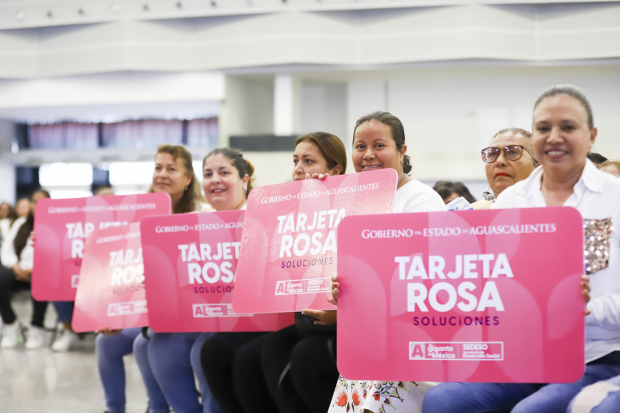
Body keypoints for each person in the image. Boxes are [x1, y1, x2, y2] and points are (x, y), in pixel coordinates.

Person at [421, 85, 620, 413]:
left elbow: (598, 287)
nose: (554, 137)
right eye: (543, 128)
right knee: (442, 400)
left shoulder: (610, 198)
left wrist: (587, 308)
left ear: (591, 135)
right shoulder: (512, 201)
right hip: (523, 354)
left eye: (568, 127)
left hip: (595, 355)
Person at [307, 111, 445, 413]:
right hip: (368, 333)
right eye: (360, 146)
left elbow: (420, 286)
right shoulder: (355, 200)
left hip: (413, 338)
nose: (368, 155)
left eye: (379, 145)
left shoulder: (421, 200)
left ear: (402, 151)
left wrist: (345, 314)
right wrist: (321, 197)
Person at [214, 133, 347, 413]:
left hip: (339, 322)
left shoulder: (352, 205)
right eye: (296, 160)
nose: (298, 168)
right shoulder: (288, 211)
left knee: (297, 353)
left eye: (308, 161)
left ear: (335, 170)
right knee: (246, 356)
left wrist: (327, 198)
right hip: (303, 319)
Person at [133, 143, 218, 413]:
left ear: (189, 178)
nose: (162, 174)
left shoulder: (204, 214)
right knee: (115, 341)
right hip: (143, 306)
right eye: (158, 167)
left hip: (187, 310)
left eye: (171, 168)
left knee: (152, 341)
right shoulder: (138, 213)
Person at [199, 147, 276, 413]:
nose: (215, 179)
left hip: (261, 321)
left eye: (224, 172)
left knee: (211, 349)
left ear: (244, 179)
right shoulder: (197, 227)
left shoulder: (266, 217)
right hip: (216, 320)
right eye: (208, 174)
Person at [0, 191, 49, 349]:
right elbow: (7, 250)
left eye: (42, 201)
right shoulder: (21, 223)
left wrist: (33, 269)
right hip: (19, 270)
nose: (37, 205)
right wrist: (16, 266)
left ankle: (37, 327)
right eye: (34, 202)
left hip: (41, 273)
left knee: (42, 282)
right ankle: (10, 324)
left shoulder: (55, 225)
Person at [471, 128, 539, 210]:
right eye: (493, 153)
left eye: (513, 152)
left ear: (537, 166)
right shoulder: (472, 214)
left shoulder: (553, 211)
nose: (499, 161)